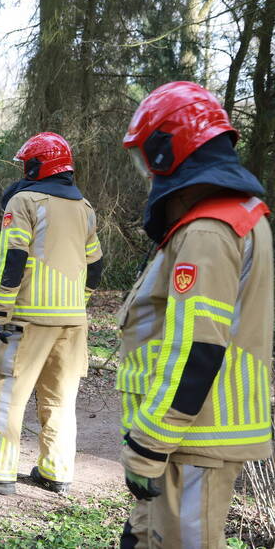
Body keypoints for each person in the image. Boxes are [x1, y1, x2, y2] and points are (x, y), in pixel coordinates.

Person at [117, 81, 272, 548]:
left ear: (168, 151)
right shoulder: (237, 217)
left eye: (145, 158)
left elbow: (197, 349)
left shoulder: (208, 231)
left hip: (191, 439)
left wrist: (148, 445)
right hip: (189, 436)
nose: (146, 173)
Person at [0, 132, 104, 495]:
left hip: (28, 318)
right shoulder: (85, 208)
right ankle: (56, 471)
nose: (23, 170)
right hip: (73, 321)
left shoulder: (24, 200)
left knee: (7, 391)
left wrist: (0, 309)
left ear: (38, 166)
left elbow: (14, 257)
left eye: (27, 164)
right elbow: (96, 265)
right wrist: (80, 300)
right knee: (59, 398)